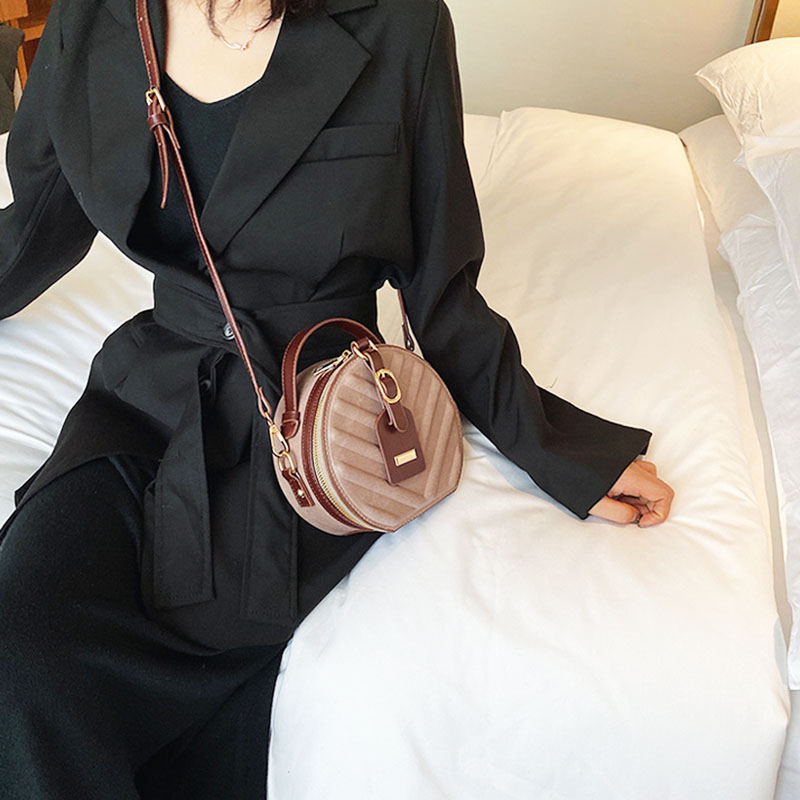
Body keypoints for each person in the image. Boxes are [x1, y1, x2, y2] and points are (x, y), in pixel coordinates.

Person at [0, 0, 675, 796]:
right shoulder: (93, 19)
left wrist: (565, 453)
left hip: (316, 421)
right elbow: (36, 224)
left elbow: (440, 289)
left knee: (196, 650)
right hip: (146, 399)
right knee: (18, 646)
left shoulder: (401, 24)